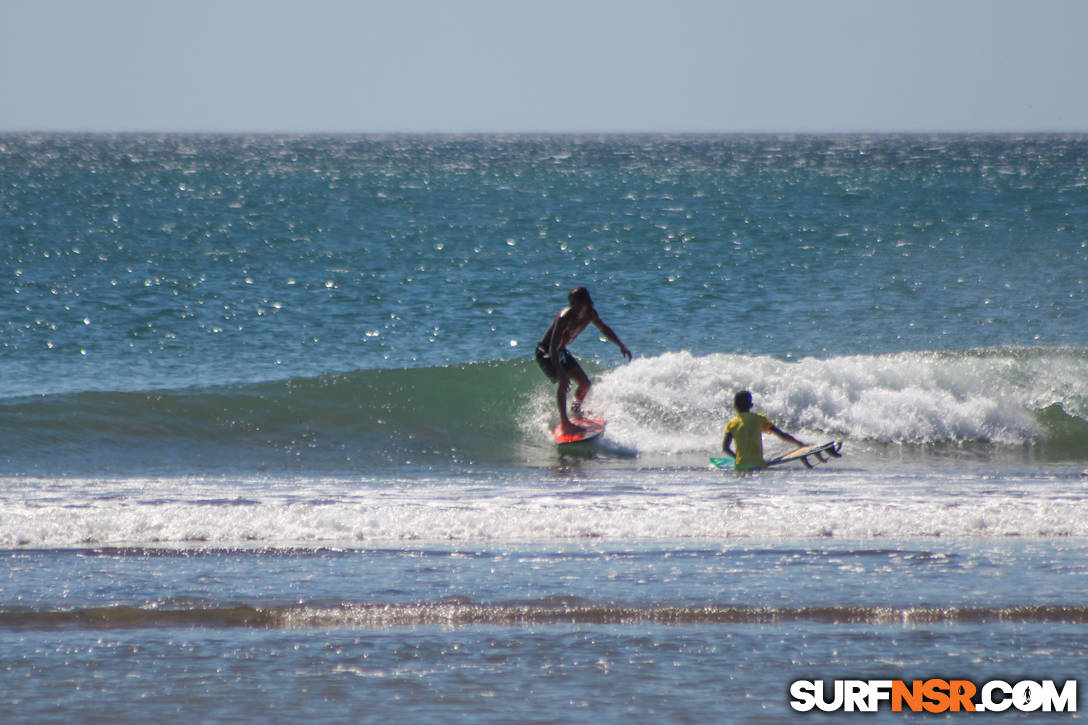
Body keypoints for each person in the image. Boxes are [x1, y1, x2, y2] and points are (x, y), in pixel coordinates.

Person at [536, 286, 631, 435]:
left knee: (585, 384)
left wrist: (621, 345)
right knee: (564, 382)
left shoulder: (590, 314)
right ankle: (566, 424)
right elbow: (552, 348)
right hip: (546, 352)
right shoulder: (564, 318)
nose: (573, 307)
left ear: (585, 302)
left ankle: (575, 411)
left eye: (576, 303)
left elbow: (604, 328)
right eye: (571, 303)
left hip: (559, 350)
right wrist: (561, 373)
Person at [722, 390, 805, 470]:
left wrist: (737, 458)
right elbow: (782, 435)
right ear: (751, 405)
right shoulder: (760, 419)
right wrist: (799, 443)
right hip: (758, 466)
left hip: (740, 467)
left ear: (735, 406)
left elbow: (725, 448)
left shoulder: (731, 423)